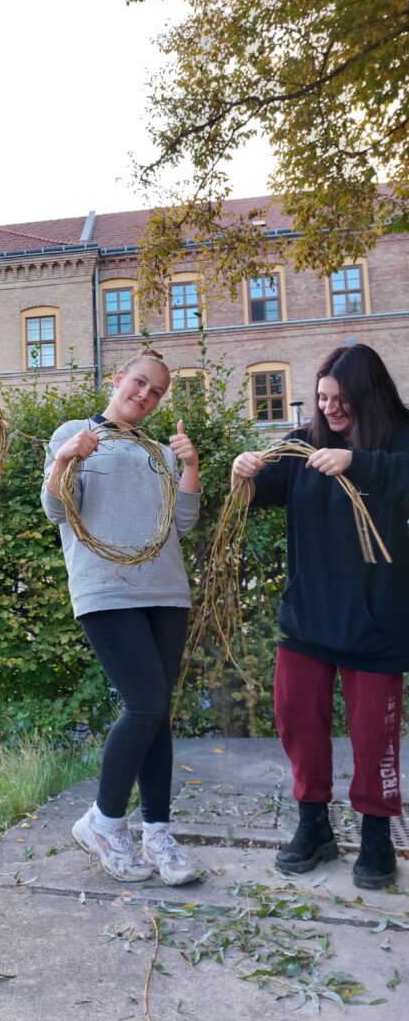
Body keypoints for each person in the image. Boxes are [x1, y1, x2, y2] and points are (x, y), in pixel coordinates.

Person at [231, 343, 409, 889]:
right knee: (297, 718)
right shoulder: (303, 443)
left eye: (341, 400)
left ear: (368, 395)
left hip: (377, 618)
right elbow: (260, 491)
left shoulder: (400, 438)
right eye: (322, 398)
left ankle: (376, 831)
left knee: (372, 732)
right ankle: (314, 825)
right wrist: (244, 474)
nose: (329, 409)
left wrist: (357, 462)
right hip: (308, 615)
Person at [41, 348, 201, 884]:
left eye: (156, 392)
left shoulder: (157, 450)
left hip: (166, 590)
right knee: (144, 703)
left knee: (158, 714)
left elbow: (181, 523)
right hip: (107, 591)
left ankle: (157, 832)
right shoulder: (75, 432)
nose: (145, 396)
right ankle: (104, 822)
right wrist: (66, 459)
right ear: (117, 378)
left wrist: (190, 466)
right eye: (139, 383)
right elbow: (58, 510)